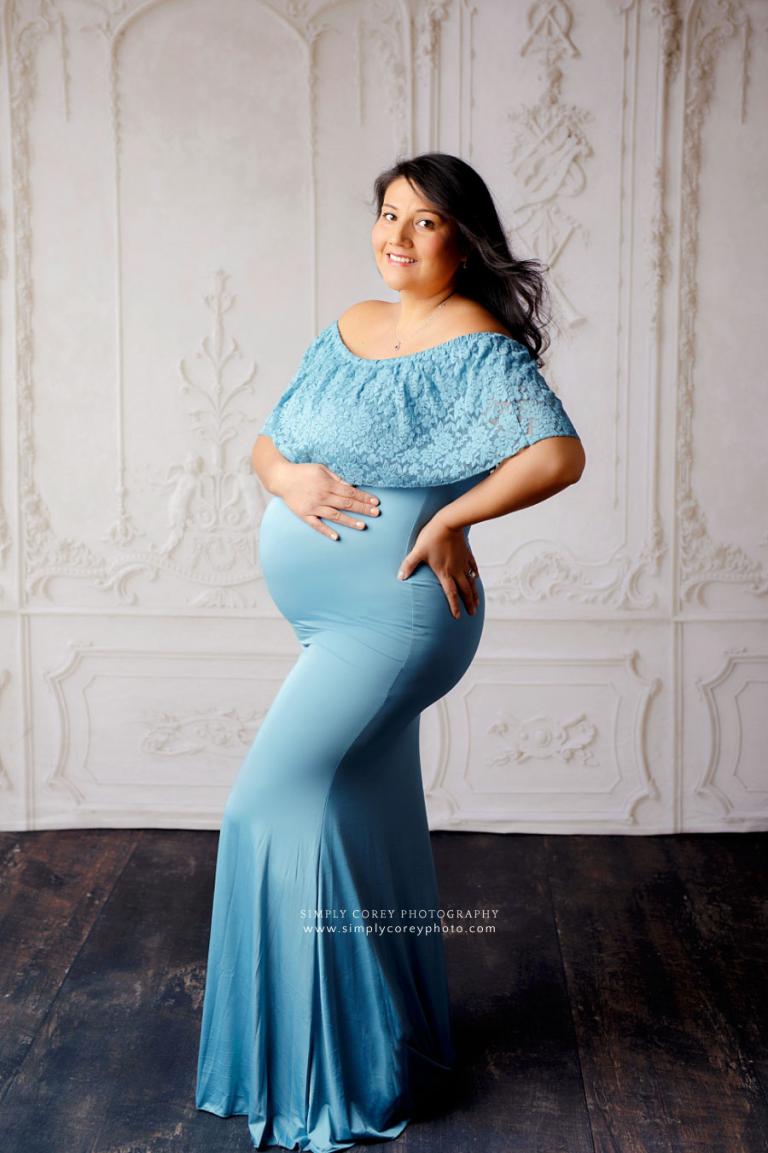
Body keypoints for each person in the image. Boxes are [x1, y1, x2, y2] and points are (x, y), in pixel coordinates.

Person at [195, 152, 585, 1152]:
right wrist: (286, 483)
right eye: (386, 215)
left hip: (400, 619)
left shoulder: (478, 342)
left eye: (422, 222)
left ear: (465, 237)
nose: (396, 237)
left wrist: (455, 515)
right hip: (329, 620)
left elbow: (556, 452)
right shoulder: (350, 327)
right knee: (347, 817)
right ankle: (386, 1045)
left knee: (263, 805)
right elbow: (269, 441)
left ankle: (325, 1077)